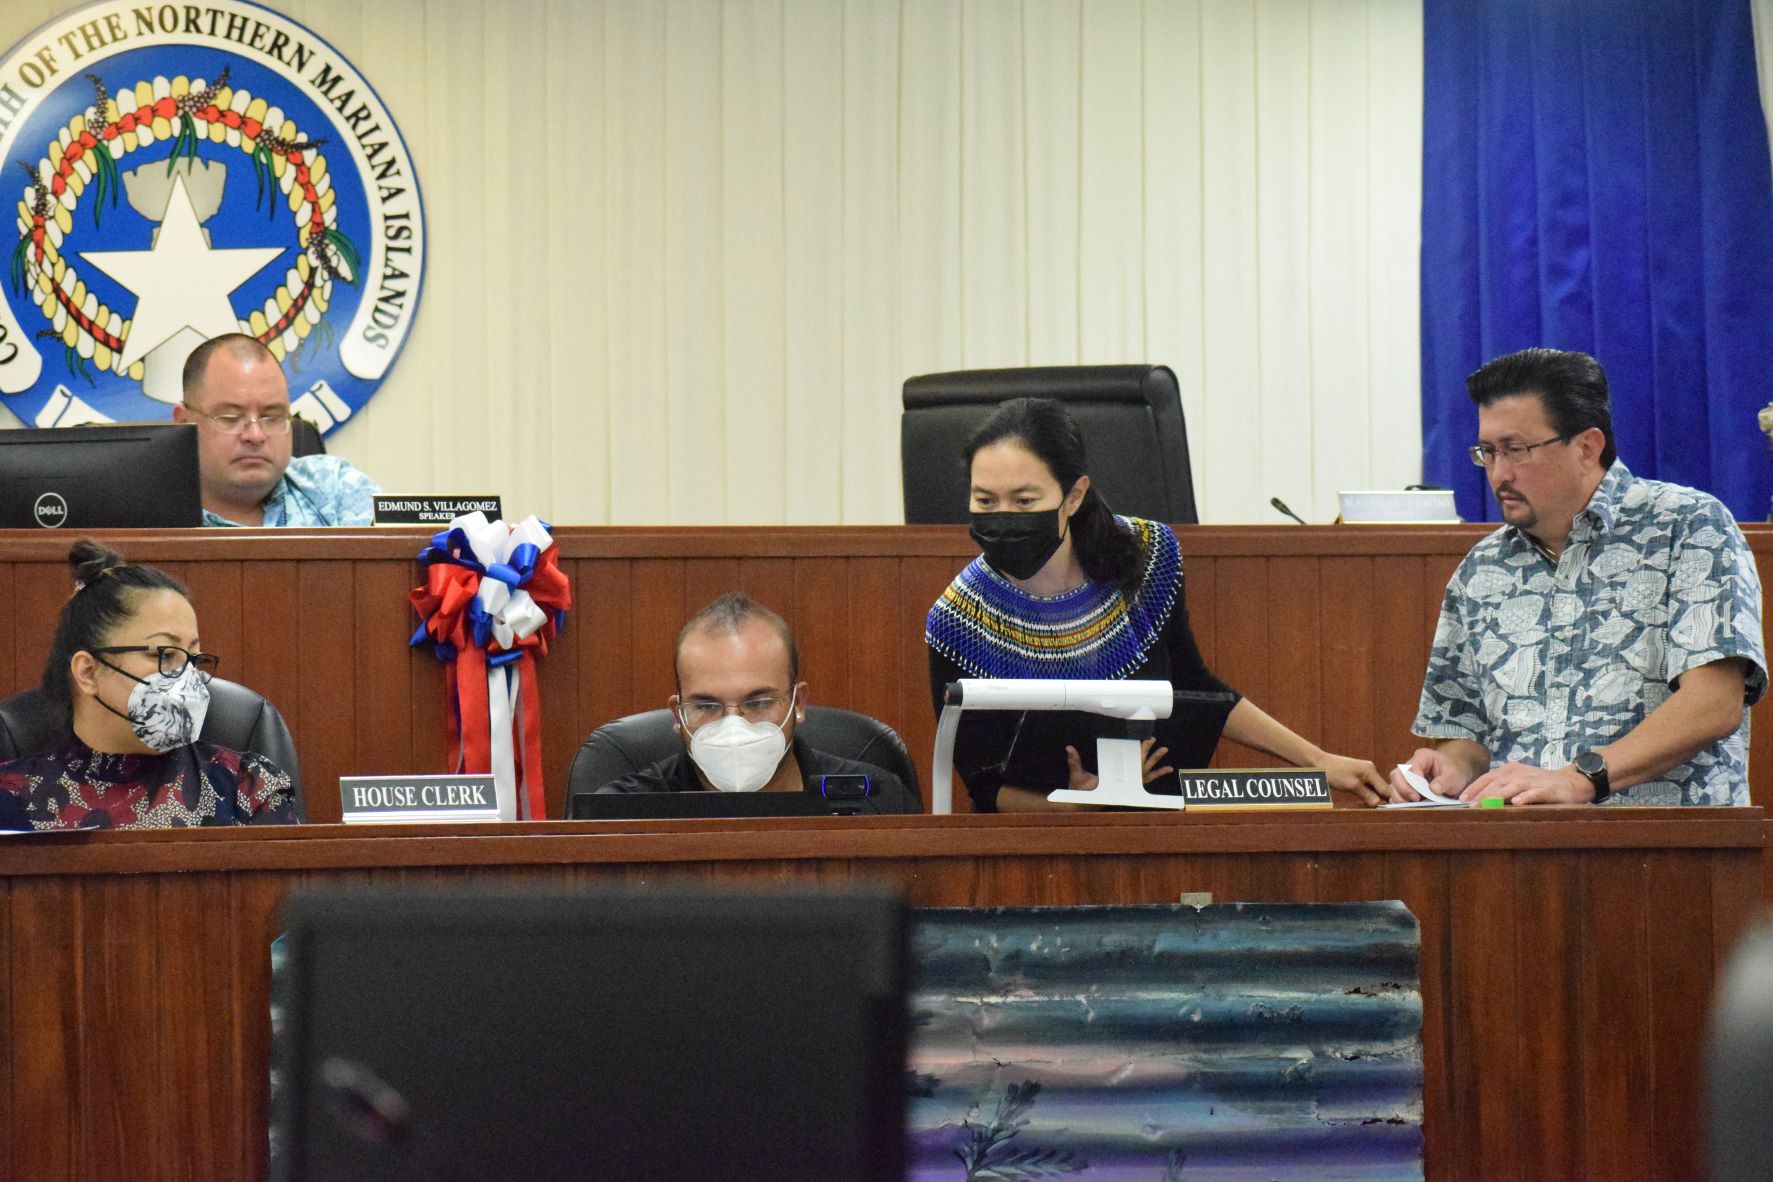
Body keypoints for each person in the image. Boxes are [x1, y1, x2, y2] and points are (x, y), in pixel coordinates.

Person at [926, 397, 1389, 812]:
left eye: (1024, 501)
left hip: (1157, 822)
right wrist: (1080, 806)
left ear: (1073, 496)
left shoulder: (1148, 558)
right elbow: (984, 787)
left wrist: (1317, 761)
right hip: (1032, 853)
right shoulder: (957, 621)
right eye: (984, 500)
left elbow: (1195, 688)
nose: (1002, 516)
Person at [1389, 347, 1766, 807]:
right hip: (1525, 858)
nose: (1498, 473)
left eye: (1516, 450)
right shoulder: (1480, 570)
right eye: (1487, 452)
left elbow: (1713, 703)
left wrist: (1580, 778)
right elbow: (1466, 734)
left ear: (1587, 446)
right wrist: (1450, 768)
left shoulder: (1687, 526)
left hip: (1675, 854)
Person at [0, 541, 297, 829]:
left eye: (193, 659)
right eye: (165, 655)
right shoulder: (9, 798)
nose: (187, 679)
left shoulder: (248, 786)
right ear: (88, 672)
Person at [596, 592, 922, 813]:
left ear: (799, 703)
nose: (734, 726)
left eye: (759, 702)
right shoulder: (620, 814)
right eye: (707, 706)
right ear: (678, 714)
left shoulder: (878, 801)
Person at [172, 333, 380, 526]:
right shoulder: (145, 515)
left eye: (272, 417)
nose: (255, 436)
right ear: (184, 423)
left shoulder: (335, 488)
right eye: (231, 418)